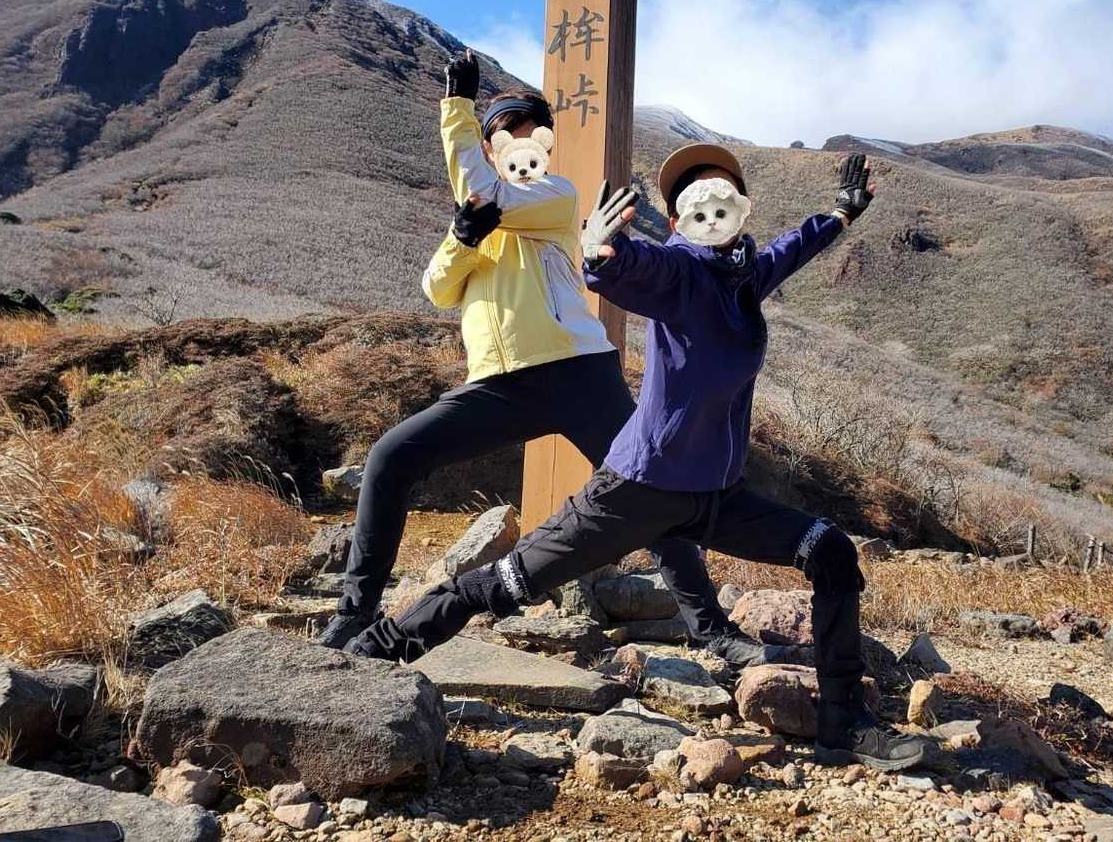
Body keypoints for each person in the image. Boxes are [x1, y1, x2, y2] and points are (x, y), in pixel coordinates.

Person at [344, 143, 935, 773]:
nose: (711, 211)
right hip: (636, 492)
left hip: (717, 497)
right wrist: (603, 253)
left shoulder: (744, 277)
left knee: (832, 551)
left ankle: (843, 722)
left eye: (723, 197)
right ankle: (368, 654)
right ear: (677, 222)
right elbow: (633, 268)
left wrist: (841, 214)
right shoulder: (681, 271)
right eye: (696, 203)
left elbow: (789, 250)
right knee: (506, 584)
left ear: (740, 210)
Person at [318, 52, 782, 669]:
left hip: (576, 372)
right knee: (390, 457)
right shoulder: (477, 219)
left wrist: (456, 110)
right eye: (502, 135)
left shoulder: (554, 196)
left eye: (526, 133)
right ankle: (356, 612)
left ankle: (712, 629)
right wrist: (461, 238)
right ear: (490, 148)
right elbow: (438, 287)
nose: (516, 143)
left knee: (652, 491)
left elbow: (486, 196)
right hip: (496, 385)